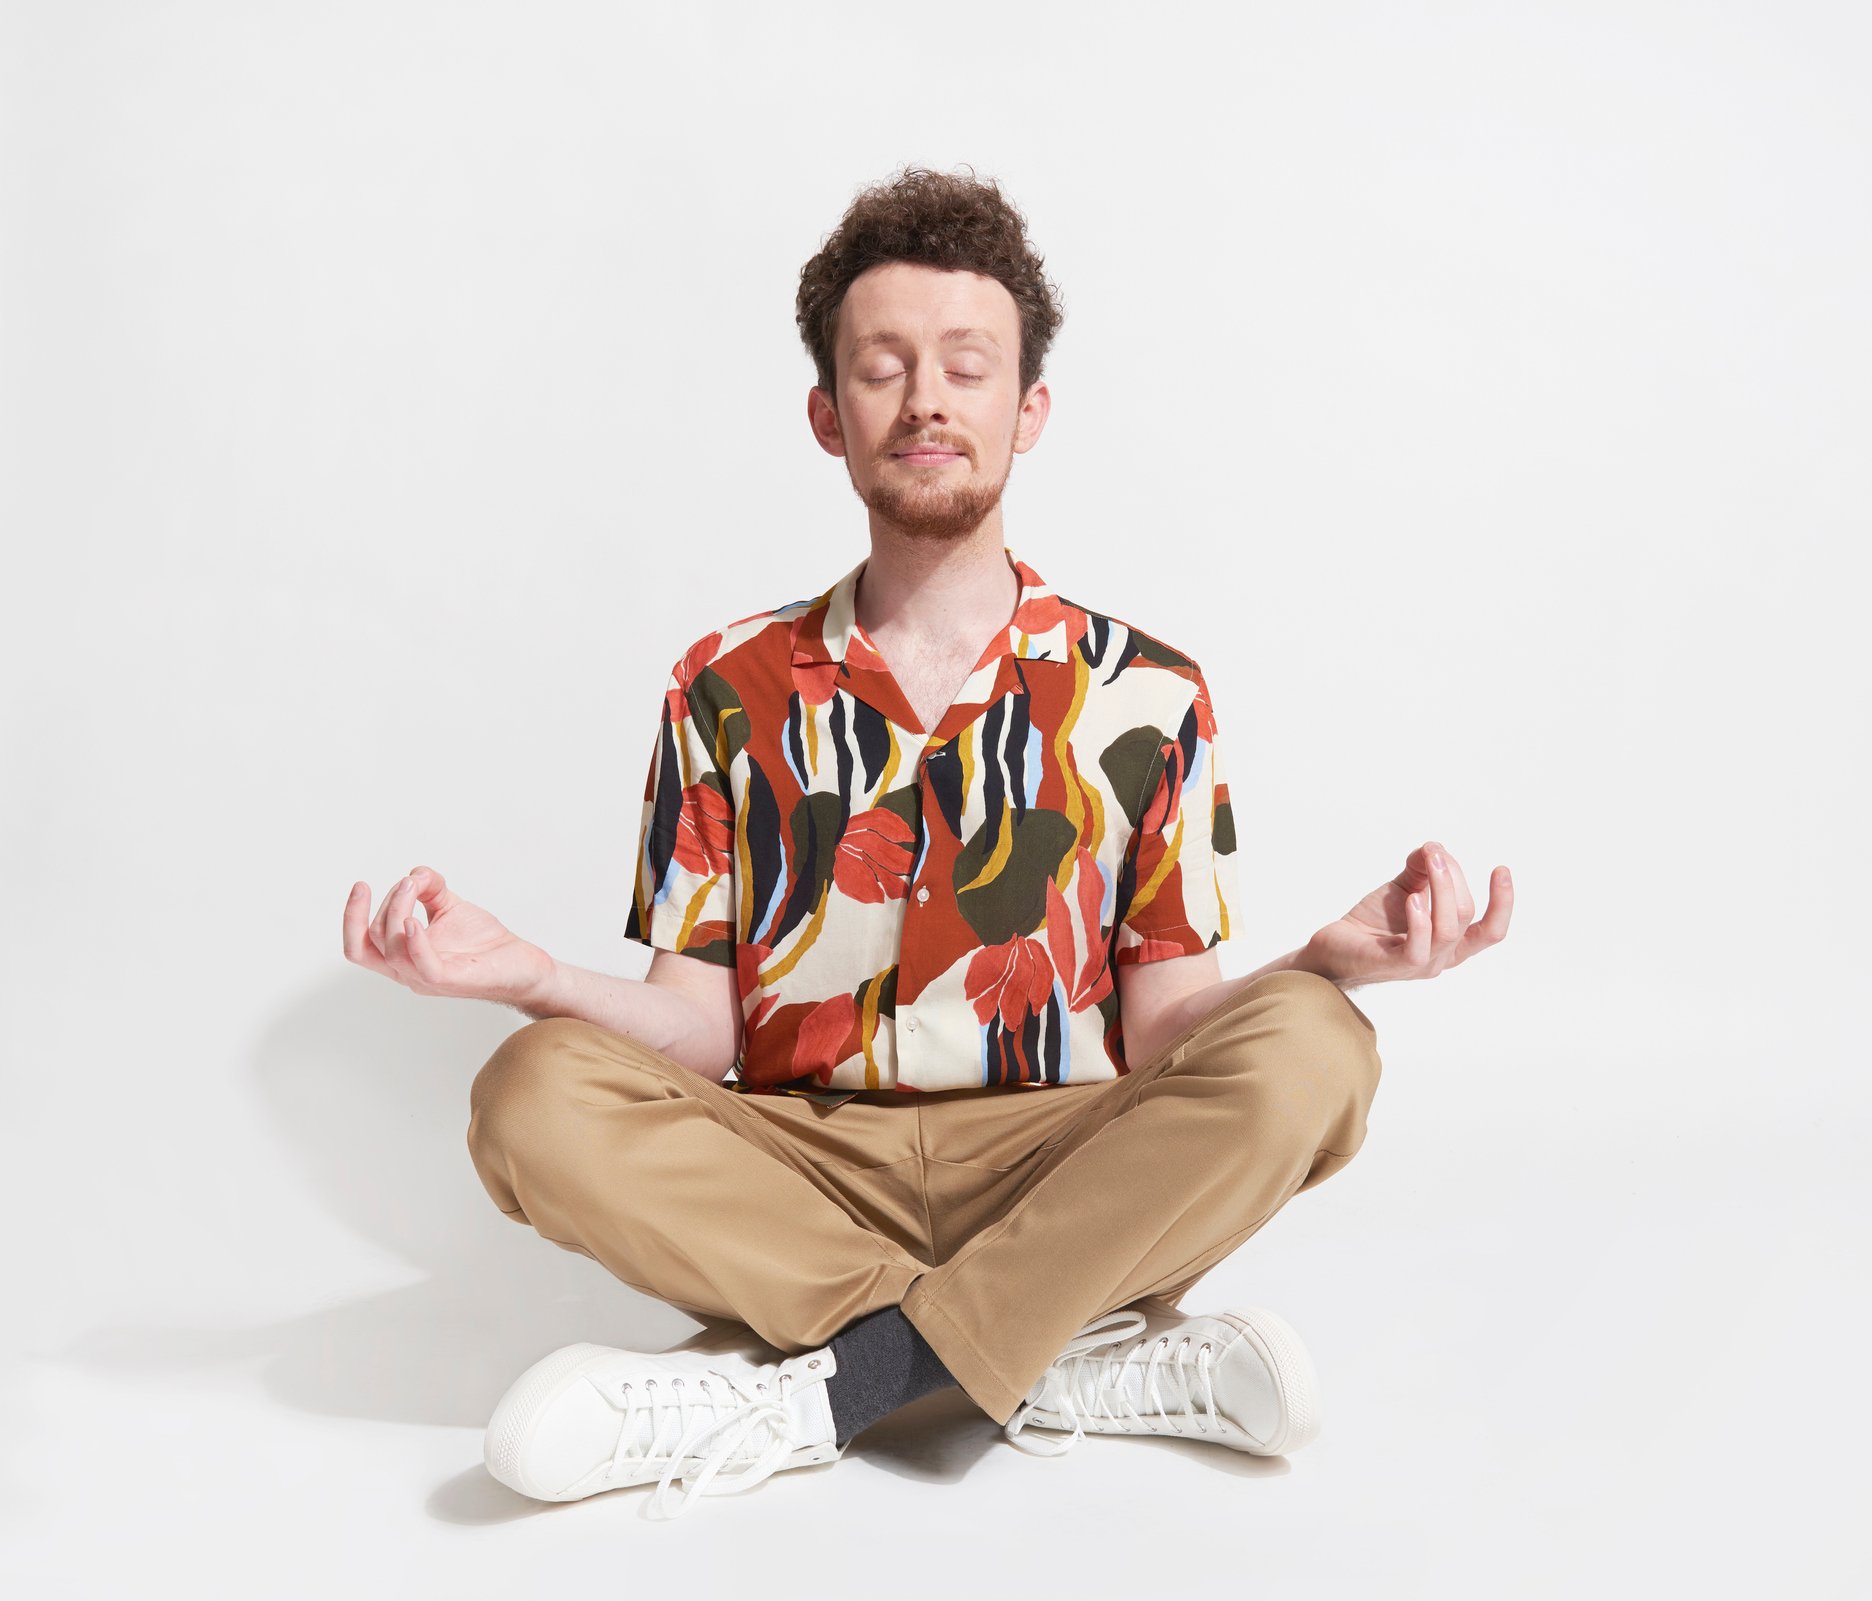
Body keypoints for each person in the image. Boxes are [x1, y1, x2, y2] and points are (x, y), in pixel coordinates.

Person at [343, 164, 1513, 1520]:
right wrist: (522, 973)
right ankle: (1039, 1353)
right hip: (796, 1159)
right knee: (528, 1096)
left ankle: (827, 1383)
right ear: (828, 417)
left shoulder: (1151, 693)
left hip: (1066, 1153)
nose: (929, 400)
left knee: (1322, 1046)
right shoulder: (723, 687)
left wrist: (1327, 958)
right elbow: (698, 1035)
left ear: (1030, 410)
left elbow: (1166, 1029)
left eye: (968, 365)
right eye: (884, 368)